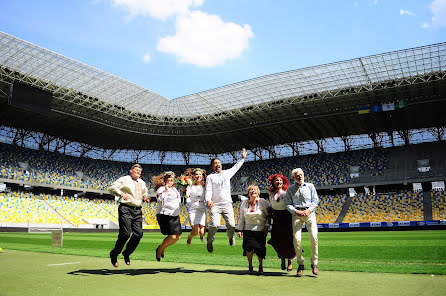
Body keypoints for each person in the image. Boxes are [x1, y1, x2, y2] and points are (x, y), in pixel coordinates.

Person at [205, 148, 247, 253]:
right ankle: (210, 240)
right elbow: (209, 189)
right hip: (215, 205)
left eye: (219, 163)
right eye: (215, 163)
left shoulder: (227, 173)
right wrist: (208, 200)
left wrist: (242, 158)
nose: (218, 164)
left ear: (221, 165)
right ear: (212, 166)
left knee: (232, 225)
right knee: (214, 225)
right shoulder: (210, 177)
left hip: (227, 204)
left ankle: (230, 236)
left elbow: (236, 167)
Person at [109, 164, 150, 268]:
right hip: (126, 209)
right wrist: (121, 194)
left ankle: (126, 253)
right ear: (131, 170)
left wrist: (146, 197)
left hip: (137, 211)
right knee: (125, 234)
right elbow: (111, 187)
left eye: (140, 171)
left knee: (138, 234)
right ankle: (114, 253)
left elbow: (145, 192)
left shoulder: (142, 182)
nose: (138, 172)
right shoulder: (124, 179)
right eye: (136, 170)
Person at [285, 168, 320, 277]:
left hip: (310, 214)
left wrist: (309, 210)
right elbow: (287, 203)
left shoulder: (310, 186)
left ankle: (314, 263)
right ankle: (300, 264)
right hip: (296, 215)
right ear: (293, 177)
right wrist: (296, 211)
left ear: (303, 175)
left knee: (314, 237)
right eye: (297, 175)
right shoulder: (290, 189)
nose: (300, 177)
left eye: (301, 175)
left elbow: (315, 200)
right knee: (296, 239)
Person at [236, 185, 269, 275]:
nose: (253, 191)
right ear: (248, 193)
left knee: (260, 249)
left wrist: (266, 226)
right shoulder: (244, 203)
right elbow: (241, 218)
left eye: (254, 190)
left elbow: (268, 216)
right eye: (251, 190)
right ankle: (250, 266)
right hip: (248, 229)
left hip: (260, 229)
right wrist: (240, 229)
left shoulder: (263, 202)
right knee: (248, 249)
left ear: (258, 192)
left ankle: (260, 266)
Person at [267, 173, 296, 272]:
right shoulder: (271, 193)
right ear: (273, 182)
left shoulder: (287, 191)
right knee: (277, 239)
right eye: (276, 180)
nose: (278, 182)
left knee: (288, 239)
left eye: (280, 180)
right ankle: (282, 259)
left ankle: (290, 262)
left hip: (287, 216)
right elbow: (271, 204)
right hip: (276, 217)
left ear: (283, 181)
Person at [153, 171, 182, 261]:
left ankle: (161, 248)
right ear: (165, 179)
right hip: (165, 214)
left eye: (173, 178)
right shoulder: (161, 189)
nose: (171, 180)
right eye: (169, 178)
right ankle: (160, 250)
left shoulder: (175, 189)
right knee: (172, 236)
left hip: (175, 214)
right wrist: (165, 191)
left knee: (178, 237)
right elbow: (160, 200)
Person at [184, 168, 207, 246]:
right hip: (193, 209)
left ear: (202, 176)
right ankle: (189, 237)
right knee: (195, 231)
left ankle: (202, 236)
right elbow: (187, 193)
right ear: (193, 176)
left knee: (202, 232)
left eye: (200, 174)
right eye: (196, 174)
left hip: (202, 209)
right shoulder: (190, 186)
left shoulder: (206, 186)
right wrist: (186, 193)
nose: (198, 176)